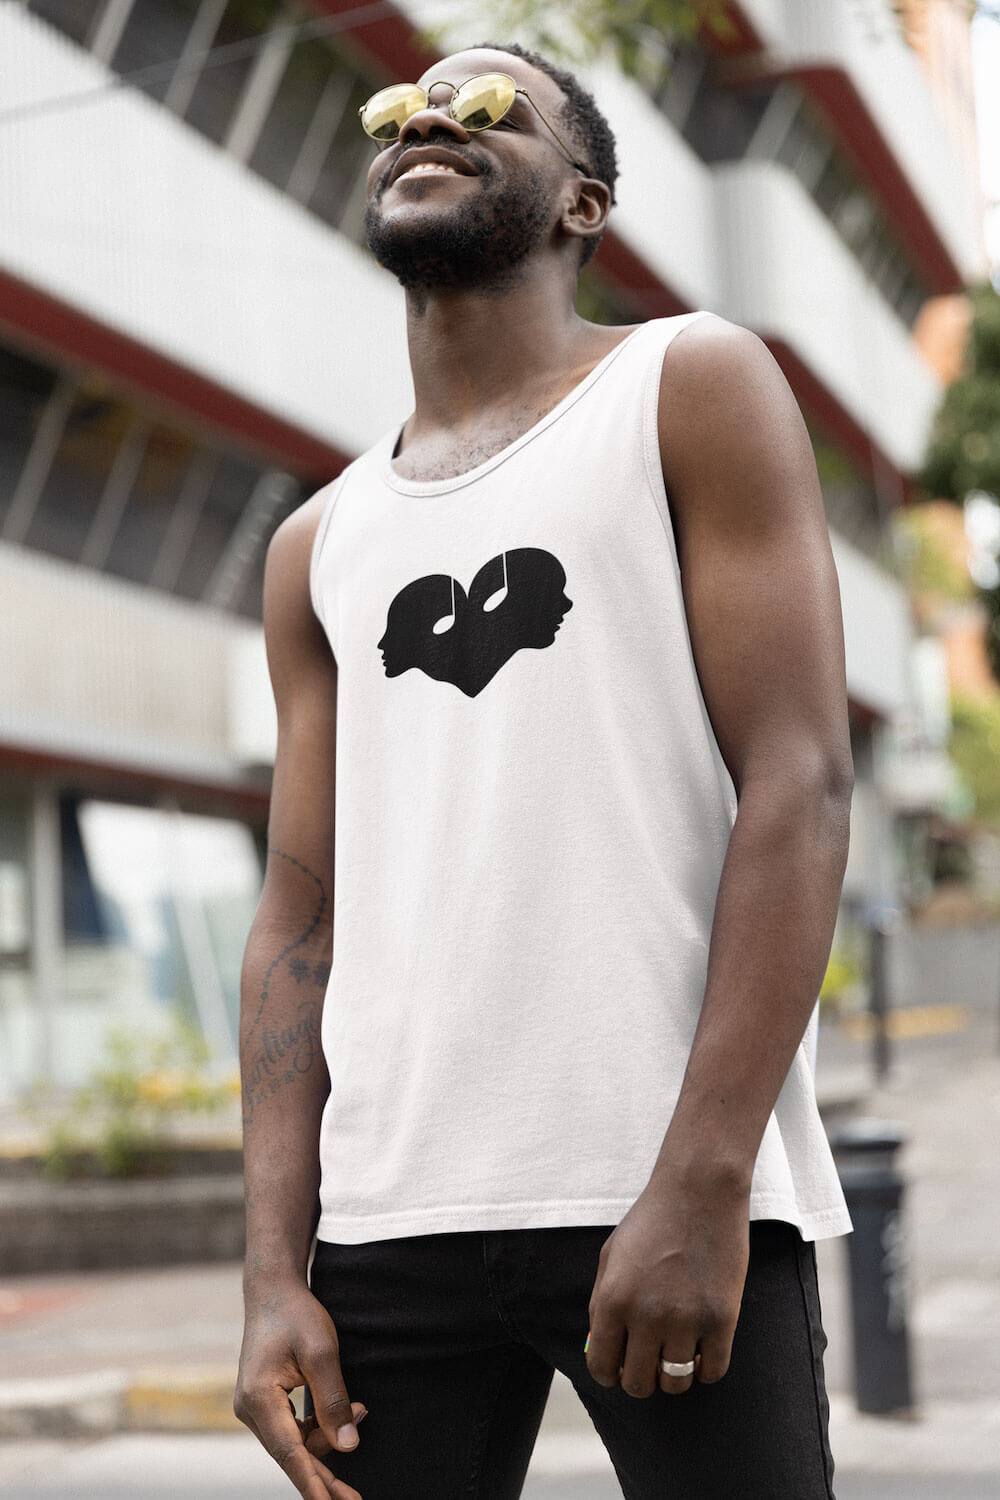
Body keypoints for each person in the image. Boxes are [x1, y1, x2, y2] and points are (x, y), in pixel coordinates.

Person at [234, 39, 854, 1500]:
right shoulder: (316, 543)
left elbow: (802, 784)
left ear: (583, 203)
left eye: (491, 106)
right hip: (386, 1228)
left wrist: (706, 1179)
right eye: (404, 111)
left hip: (668, 1190)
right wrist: (274, 1272)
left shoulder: (688, 383)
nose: (433, 117)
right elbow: (297, 919)